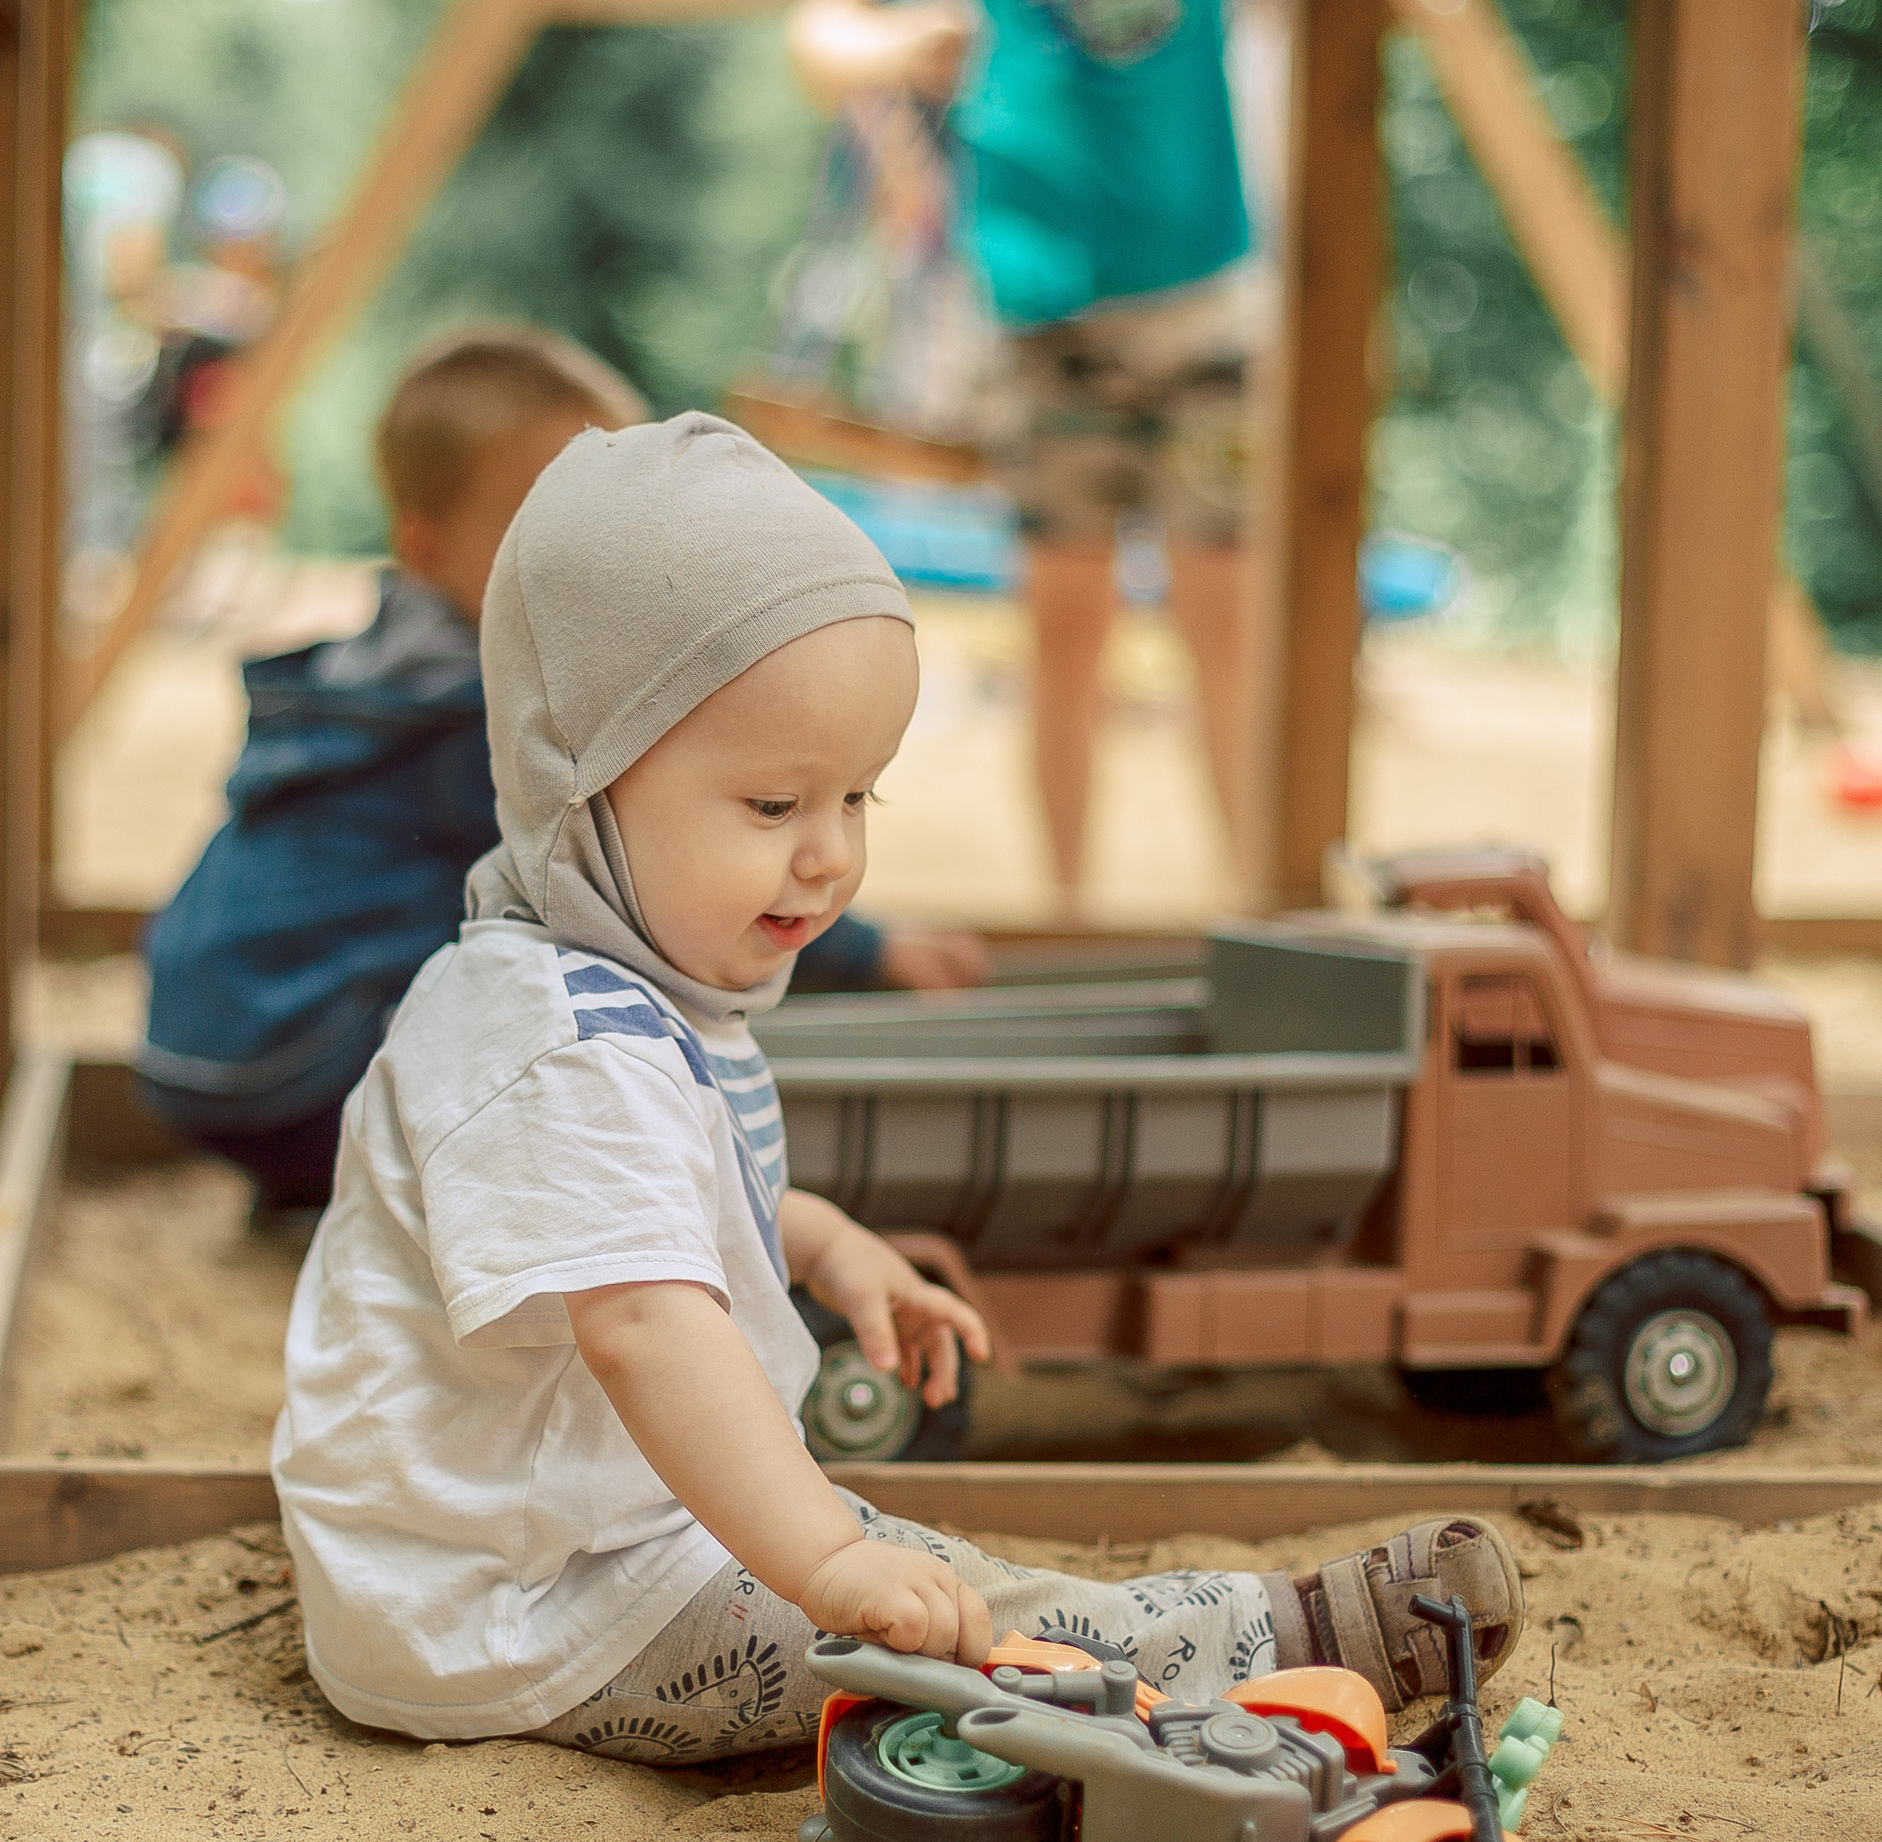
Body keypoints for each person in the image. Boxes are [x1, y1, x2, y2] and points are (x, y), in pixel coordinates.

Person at [271, 414, 1523, 1756]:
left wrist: (828, 1242)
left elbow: (666, 1209)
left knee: (909, 1564)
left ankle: (1222, 1629)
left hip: (573, 1544)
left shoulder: (627, 983)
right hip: (512, 1611)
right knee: (932, 1615)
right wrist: (821, 1557)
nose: (828, 858)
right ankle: (1270, 1641)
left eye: (858, 797)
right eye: (772, 806)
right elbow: (638, 1317)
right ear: (580, 781)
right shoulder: (560, 1038)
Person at [138, 326, 986, 1220]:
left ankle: (329, 1189)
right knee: (605, 1006)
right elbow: (662, 874)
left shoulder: (376, 671)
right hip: (304, 1062)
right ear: (428, 550)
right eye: (541, 523)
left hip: (208, 1048)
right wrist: (871, 950)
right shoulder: (475, 712)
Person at [786, 0, 1258, 919]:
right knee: (1066, 628)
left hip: (1202, 320)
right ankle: (1068, 907)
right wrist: (906, 45)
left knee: (1229, 624)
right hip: (1048, 334)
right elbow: (821, 39)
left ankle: (1255, 899)